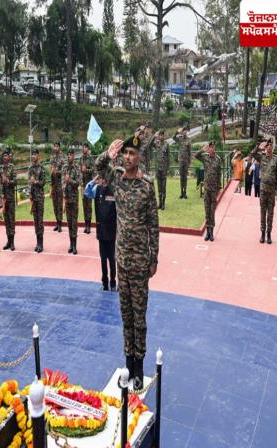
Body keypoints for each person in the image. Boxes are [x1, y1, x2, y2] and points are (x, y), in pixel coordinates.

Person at [95, 136, 159, 390]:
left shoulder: (147, 187)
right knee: (126, 314)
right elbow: (98, 167)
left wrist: (154, 258)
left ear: (140, 157)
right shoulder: (117, 180)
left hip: (140, 261)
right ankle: (128, 361)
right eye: (126, 153)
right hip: (122, 259)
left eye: (133, 153)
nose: (128, 157)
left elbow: (153, 225)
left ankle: (139, 366)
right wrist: (107, 155)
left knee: (139, 316)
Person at [86, 176, 117, 291]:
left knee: (112, 259)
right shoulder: (97, 189)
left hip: (111, 230)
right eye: (102, 177)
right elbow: (87, 192)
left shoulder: (114, 189)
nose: (103, 179)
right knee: (103, 259)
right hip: (101, 230)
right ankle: (105, 283)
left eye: (105, 177)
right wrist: (93, 181)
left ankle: (113, 283)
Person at [251, 139, 277, 244]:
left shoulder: (275, 159)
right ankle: (262, 234)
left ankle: (269, 234)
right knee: (263, 212)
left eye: (271, 145)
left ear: (272, 147)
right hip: (263, 190)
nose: (269, 147)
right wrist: (258, 146)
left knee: (270, 214)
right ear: (266, 147)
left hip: (271, 191)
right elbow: (252, 154)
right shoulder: (261, 157)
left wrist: (276, 189)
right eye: (268, 145)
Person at [194, 142, 222, 241]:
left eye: (213, 147)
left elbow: (219, 174)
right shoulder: (205, 157)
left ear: (215, 148)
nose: (211, 149)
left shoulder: (218, 159)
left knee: (212, 211)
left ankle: (212, 232)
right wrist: (202, 150)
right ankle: (207, 232)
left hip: (214, 189)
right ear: (209, 148)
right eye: (210, 147)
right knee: (207, 210)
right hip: (206, 188)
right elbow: (196, 156)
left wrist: (219, 188)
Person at [63, 148, 82, 254]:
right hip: (67, 199)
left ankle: (75, 245)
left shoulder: (76, 168)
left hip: (74, 199)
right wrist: (64, 185)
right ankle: (70, 243)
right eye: (68, 155)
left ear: (73, 156)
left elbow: (78, 182)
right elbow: (62, 182)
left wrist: (70, 180)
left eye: (70, 155)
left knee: (74, 223)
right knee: (69, 223)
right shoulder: (65, 168)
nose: (69, 156)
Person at [28, 148, 47, 252]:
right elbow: (29, 183)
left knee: (40, 221)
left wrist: (35, 181)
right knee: (35, 221)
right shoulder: (30, 168)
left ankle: (41, 243)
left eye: (35, 155)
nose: (33, 156)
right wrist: (30, 194)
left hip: (39, 197)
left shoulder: (42, 168)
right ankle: (37, 242)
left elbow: (43, 182)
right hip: (34, 198)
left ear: (38, 156)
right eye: (33, 154)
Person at [0, 148, 16, 250]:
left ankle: (12, 242)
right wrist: (1, 194)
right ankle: (8, 241)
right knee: (6, 220)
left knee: (11, 219)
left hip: (10, 197)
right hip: (4, 198)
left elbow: (15, 181)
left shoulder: (12, 167)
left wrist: (8, 181)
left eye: (6, 156)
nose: (5, 157)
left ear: (9, 157)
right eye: (3, 156)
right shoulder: (0, 169)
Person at [49, 142, 65, 231]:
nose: (55, 148)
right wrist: (51, 172)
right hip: (54, 184)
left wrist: (57, 172)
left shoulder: (62, 157)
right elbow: (51, 170)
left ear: (59, 147)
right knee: (54, 204)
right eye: (54, 146)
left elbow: (64, 170)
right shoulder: (52, 158)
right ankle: (57, 222)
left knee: (59, 204)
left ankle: (60, 224)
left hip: (60, 184)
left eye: (57, 146)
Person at [80, 142, 95, 234]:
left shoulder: (91, 158)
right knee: (84, 205)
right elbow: (79, 171)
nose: (83, 149)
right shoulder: (81, 159)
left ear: (88, 149)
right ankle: (85, 225)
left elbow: (93, 170)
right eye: (83, 147)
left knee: (89, 206)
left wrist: (86, 170)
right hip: (83, 185)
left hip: (89, 185)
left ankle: (89, 225)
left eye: (85, 147)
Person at [152, 131, 168, 209]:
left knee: (163, 187)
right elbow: (150, 143)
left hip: (164, 168)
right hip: (158, 168)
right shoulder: (156, 143)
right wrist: (154, 136)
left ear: (164, 136)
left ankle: (163, 203)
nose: (161, 137)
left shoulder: (166, 144)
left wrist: (167, 168)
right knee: (159, 186)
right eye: (160, 135)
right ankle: (160, 203)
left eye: (162, 135)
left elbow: (168, 156)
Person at [174, 127, 191, 199]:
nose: (184, 132)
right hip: (181, 161)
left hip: (186, 161)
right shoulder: (179, 138)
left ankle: (185, 192)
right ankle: (181, 193)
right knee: (181, 177)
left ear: (186, 132)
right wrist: (177, 132)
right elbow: (173, 138)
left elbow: (189, 152)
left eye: (185, 131)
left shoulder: (188, 139)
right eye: (183, 131)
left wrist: (189, 161)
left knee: (185, 177)